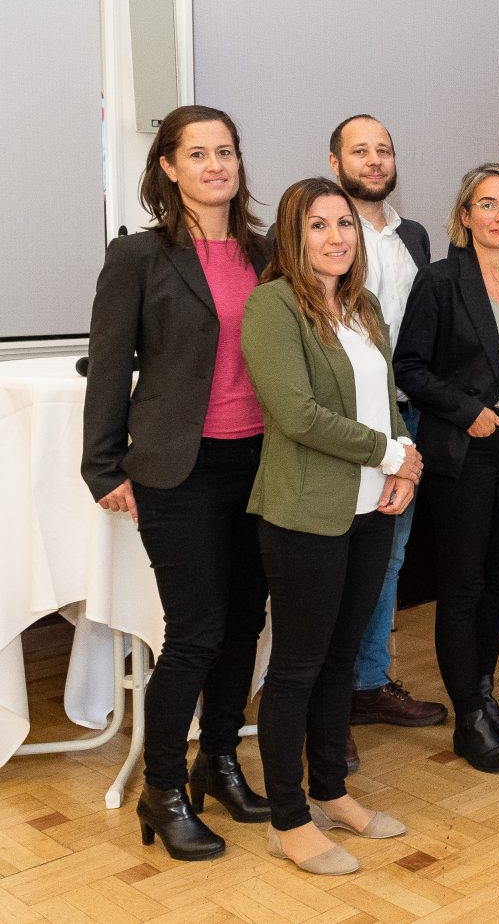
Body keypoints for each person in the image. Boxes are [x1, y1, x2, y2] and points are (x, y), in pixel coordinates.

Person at [82, 104, 271, 862]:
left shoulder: (266, 252)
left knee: (243, 625)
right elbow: (108, 364)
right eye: (198, 154)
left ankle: (217, 762)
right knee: (194, 634)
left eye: (226, 151)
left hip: (262, 464)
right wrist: (102, 467)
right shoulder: (138, 256)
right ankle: (160, 791)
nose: (215, 165)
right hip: (177, 469)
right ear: (167, 166)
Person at [242, 177, 419, 876]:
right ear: (294, 234)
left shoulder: (361, 305)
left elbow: (387, 403)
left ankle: (332, 793)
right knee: (296, 669)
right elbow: (297, 414)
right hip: (306, 513)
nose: (337, 237)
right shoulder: (273, 305)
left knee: (341, 663)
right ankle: (287, 819)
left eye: (345, 223)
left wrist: (404, 466)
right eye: (319, 225)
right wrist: (389, 453)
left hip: (372, 509)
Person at [395, 163, 499, 773]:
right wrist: (469, 411)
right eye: (488, 204)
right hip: (466, 448)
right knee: (463, 586)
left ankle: (486, 700)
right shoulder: (440, 282)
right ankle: (467, 717)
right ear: (465, 215)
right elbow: (408, 368)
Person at [326, 115, 447, 764]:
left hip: (408, 420)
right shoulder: (322, 232)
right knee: (335, 565)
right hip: (341, 427)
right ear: (334, 159)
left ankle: (368, 684)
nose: (374, 161)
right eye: (360, 151)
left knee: (388, 559)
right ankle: (330, 700)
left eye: (384, 150)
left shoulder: (414, 235)